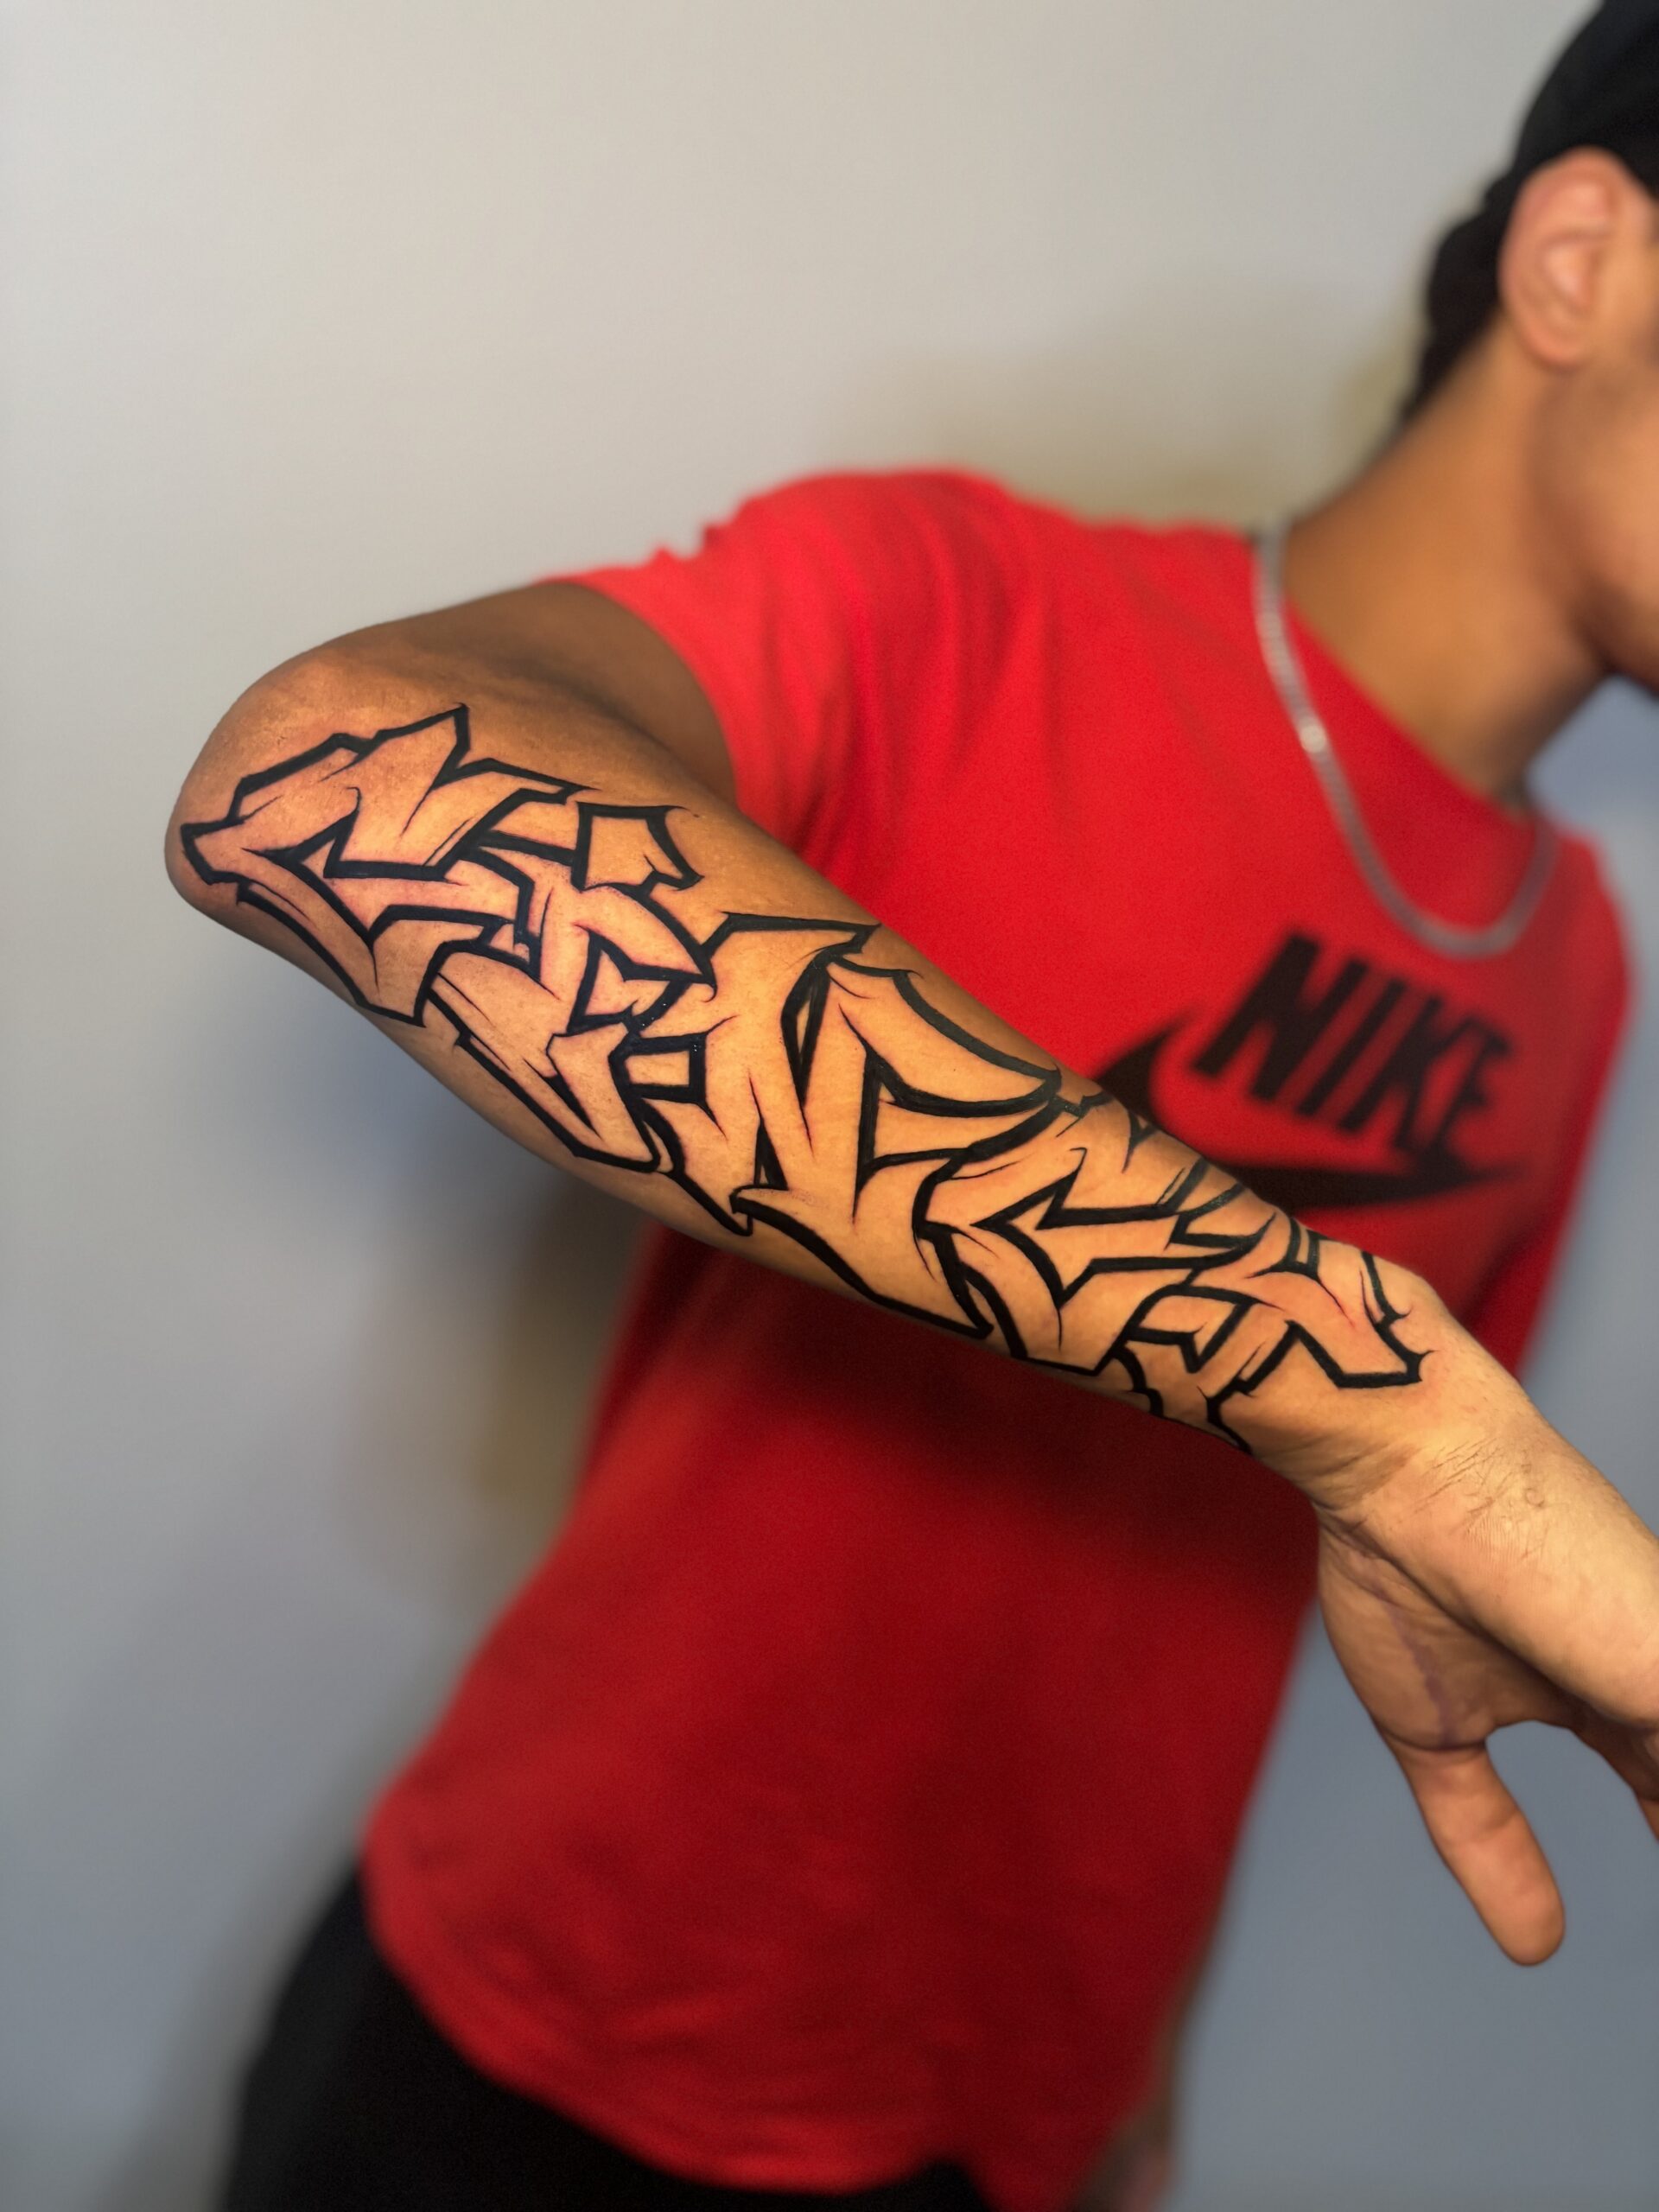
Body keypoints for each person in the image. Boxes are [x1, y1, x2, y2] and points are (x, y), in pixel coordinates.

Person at [169, 5, 1659, 2209]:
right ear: (1584, 260)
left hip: (1013, 2121)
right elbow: (325, 779)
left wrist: (1139, 2068)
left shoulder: (1576, 964)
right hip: (538, 2035)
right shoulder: (976, 612)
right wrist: (1358, 1378)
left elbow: (1347, 1576)